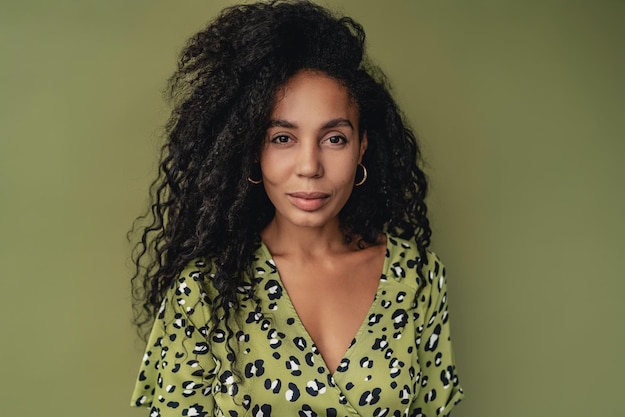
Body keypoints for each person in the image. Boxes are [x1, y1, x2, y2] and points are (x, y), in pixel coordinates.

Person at [129, 1, 464, 416]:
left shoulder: (418, 277)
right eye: (283, 138)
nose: (309, 167)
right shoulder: (204, 292)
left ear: (362, 147)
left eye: (334, 138)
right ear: (253, 151)